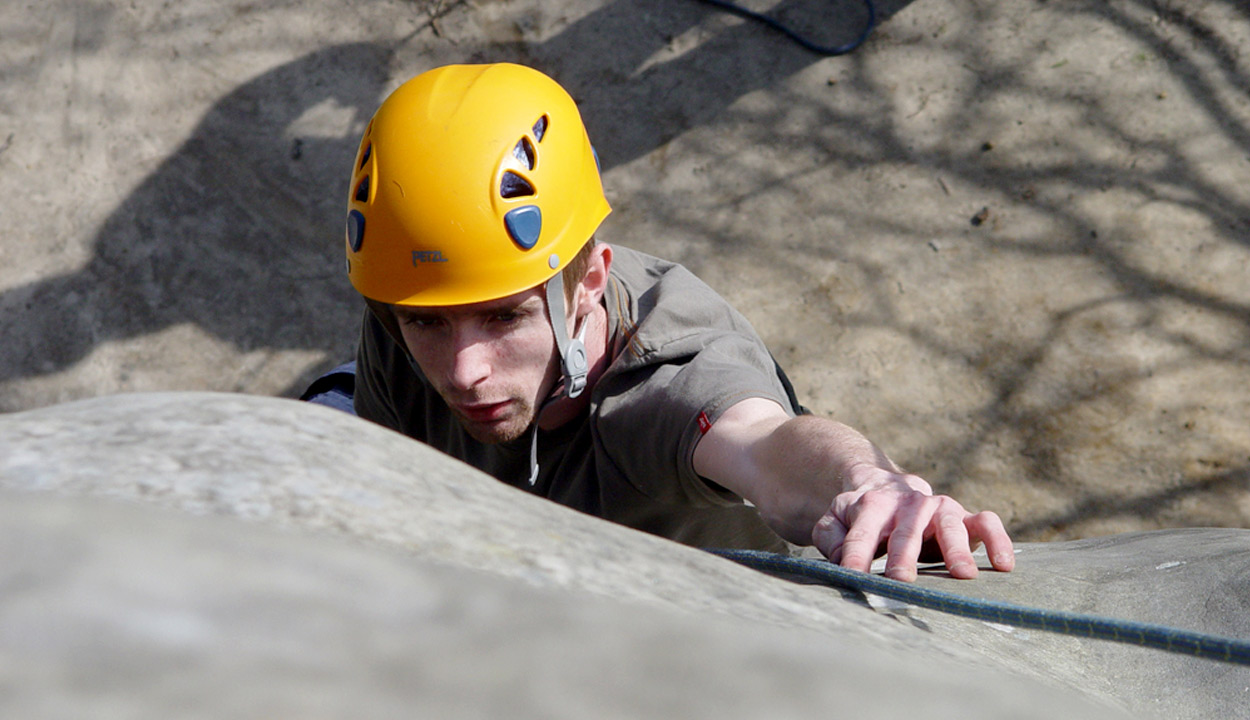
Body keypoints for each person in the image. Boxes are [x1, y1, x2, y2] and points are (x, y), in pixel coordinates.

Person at [318, 62, 1014, 582]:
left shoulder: (663, 383)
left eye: (504, 317)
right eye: (428, 324)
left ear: (589, 281)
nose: (464, 369)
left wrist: (863, 487)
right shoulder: (400, 308)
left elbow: (760, 443)